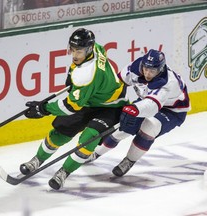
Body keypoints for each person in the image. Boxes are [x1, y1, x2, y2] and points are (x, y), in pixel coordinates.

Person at [20, 28, 128, 190]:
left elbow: (71, 106)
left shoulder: (87, 73)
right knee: (60, 133)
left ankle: (64, 172)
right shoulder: (97, 48)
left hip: (112, 107)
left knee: (88, 140)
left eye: (80, 51)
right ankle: (37, 160)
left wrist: (44, 109)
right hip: (91, 99)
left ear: (89, 49)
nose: (75, 55)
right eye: (73, 49)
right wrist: (71, 76)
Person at [85, 49, 191, 177]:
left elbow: (152, 106)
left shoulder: (167, 83)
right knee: (123, 127)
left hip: (172, 110)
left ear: (161, 69)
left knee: (149, 126)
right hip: (146, 100)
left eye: (152, 71)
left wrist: (134, 109)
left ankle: (129, 160)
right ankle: (96, 153)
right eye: (146, 68)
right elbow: (117, 83)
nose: (147, 73)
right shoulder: (135, 68)